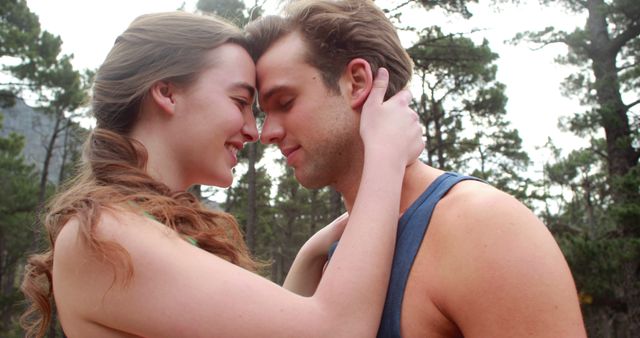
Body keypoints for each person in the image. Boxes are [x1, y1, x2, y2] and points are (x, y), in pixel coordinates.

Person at [20, 11, 424, 337]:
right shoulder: (106, 237)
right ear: (167, 93)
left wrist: (311, 254)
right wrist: (383, 159)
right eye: (240, 101)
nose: (254, 130)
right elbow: (336, 330)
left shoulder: (138, 228)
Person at [245, 0, 588, 337]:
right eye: (264, 114)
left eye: (285, 103)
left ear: (358, 82)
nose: (267, 134)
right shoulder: (337, 261)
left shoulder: (481, 227)